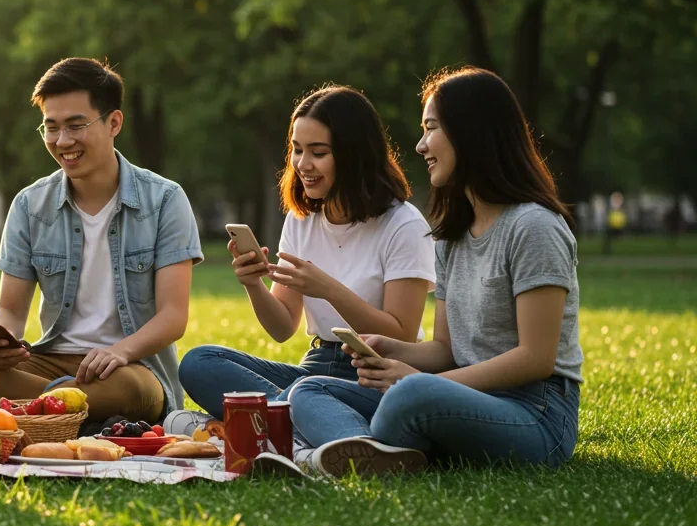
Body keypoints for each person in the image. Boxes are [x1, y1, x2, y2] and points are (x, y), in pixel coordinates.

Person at [288, 67, 583, 476]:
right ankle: (366, 451)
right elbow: (445, 349)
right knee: (308, 389)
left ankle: (343, 445)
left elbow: (536, 358)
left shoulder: (533, 227)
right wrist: (391, 350)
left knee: (411, 395)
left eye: (431, 128)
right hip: (450, 394)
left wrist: (420, 382)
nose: (421, 144)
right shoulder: (450, 234)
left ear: (471, 133)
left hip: (536, 412)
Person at [0, 58, 202, 423]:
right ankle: (63, 409)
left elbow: (173, 316)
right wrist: (1, 343)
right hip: (52, 361)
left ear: (114, 122)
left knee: (131, 391)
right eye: (51, 128)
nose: (62, 142)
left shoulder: (164, 200)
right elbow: (10, 310)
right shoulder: (30, 205)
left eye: (75, 126)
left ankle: (33, 412)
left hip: (131, 366)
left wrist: (120, 352)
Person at [171, 86, 434, 433]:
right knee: (199, 362)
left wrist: (328, 289)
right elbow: (282, 327)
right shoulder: (302, 220)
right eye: (296, 150)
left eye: (318, 152)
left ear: (353, 154)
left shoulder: (404, 224)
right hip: (316, 366)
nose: (302, 164)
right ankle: (307, 423)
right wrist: (253, 284)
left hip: (375, 374)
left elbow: (400, 333)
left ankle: (285, 423)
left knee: (304, 393)